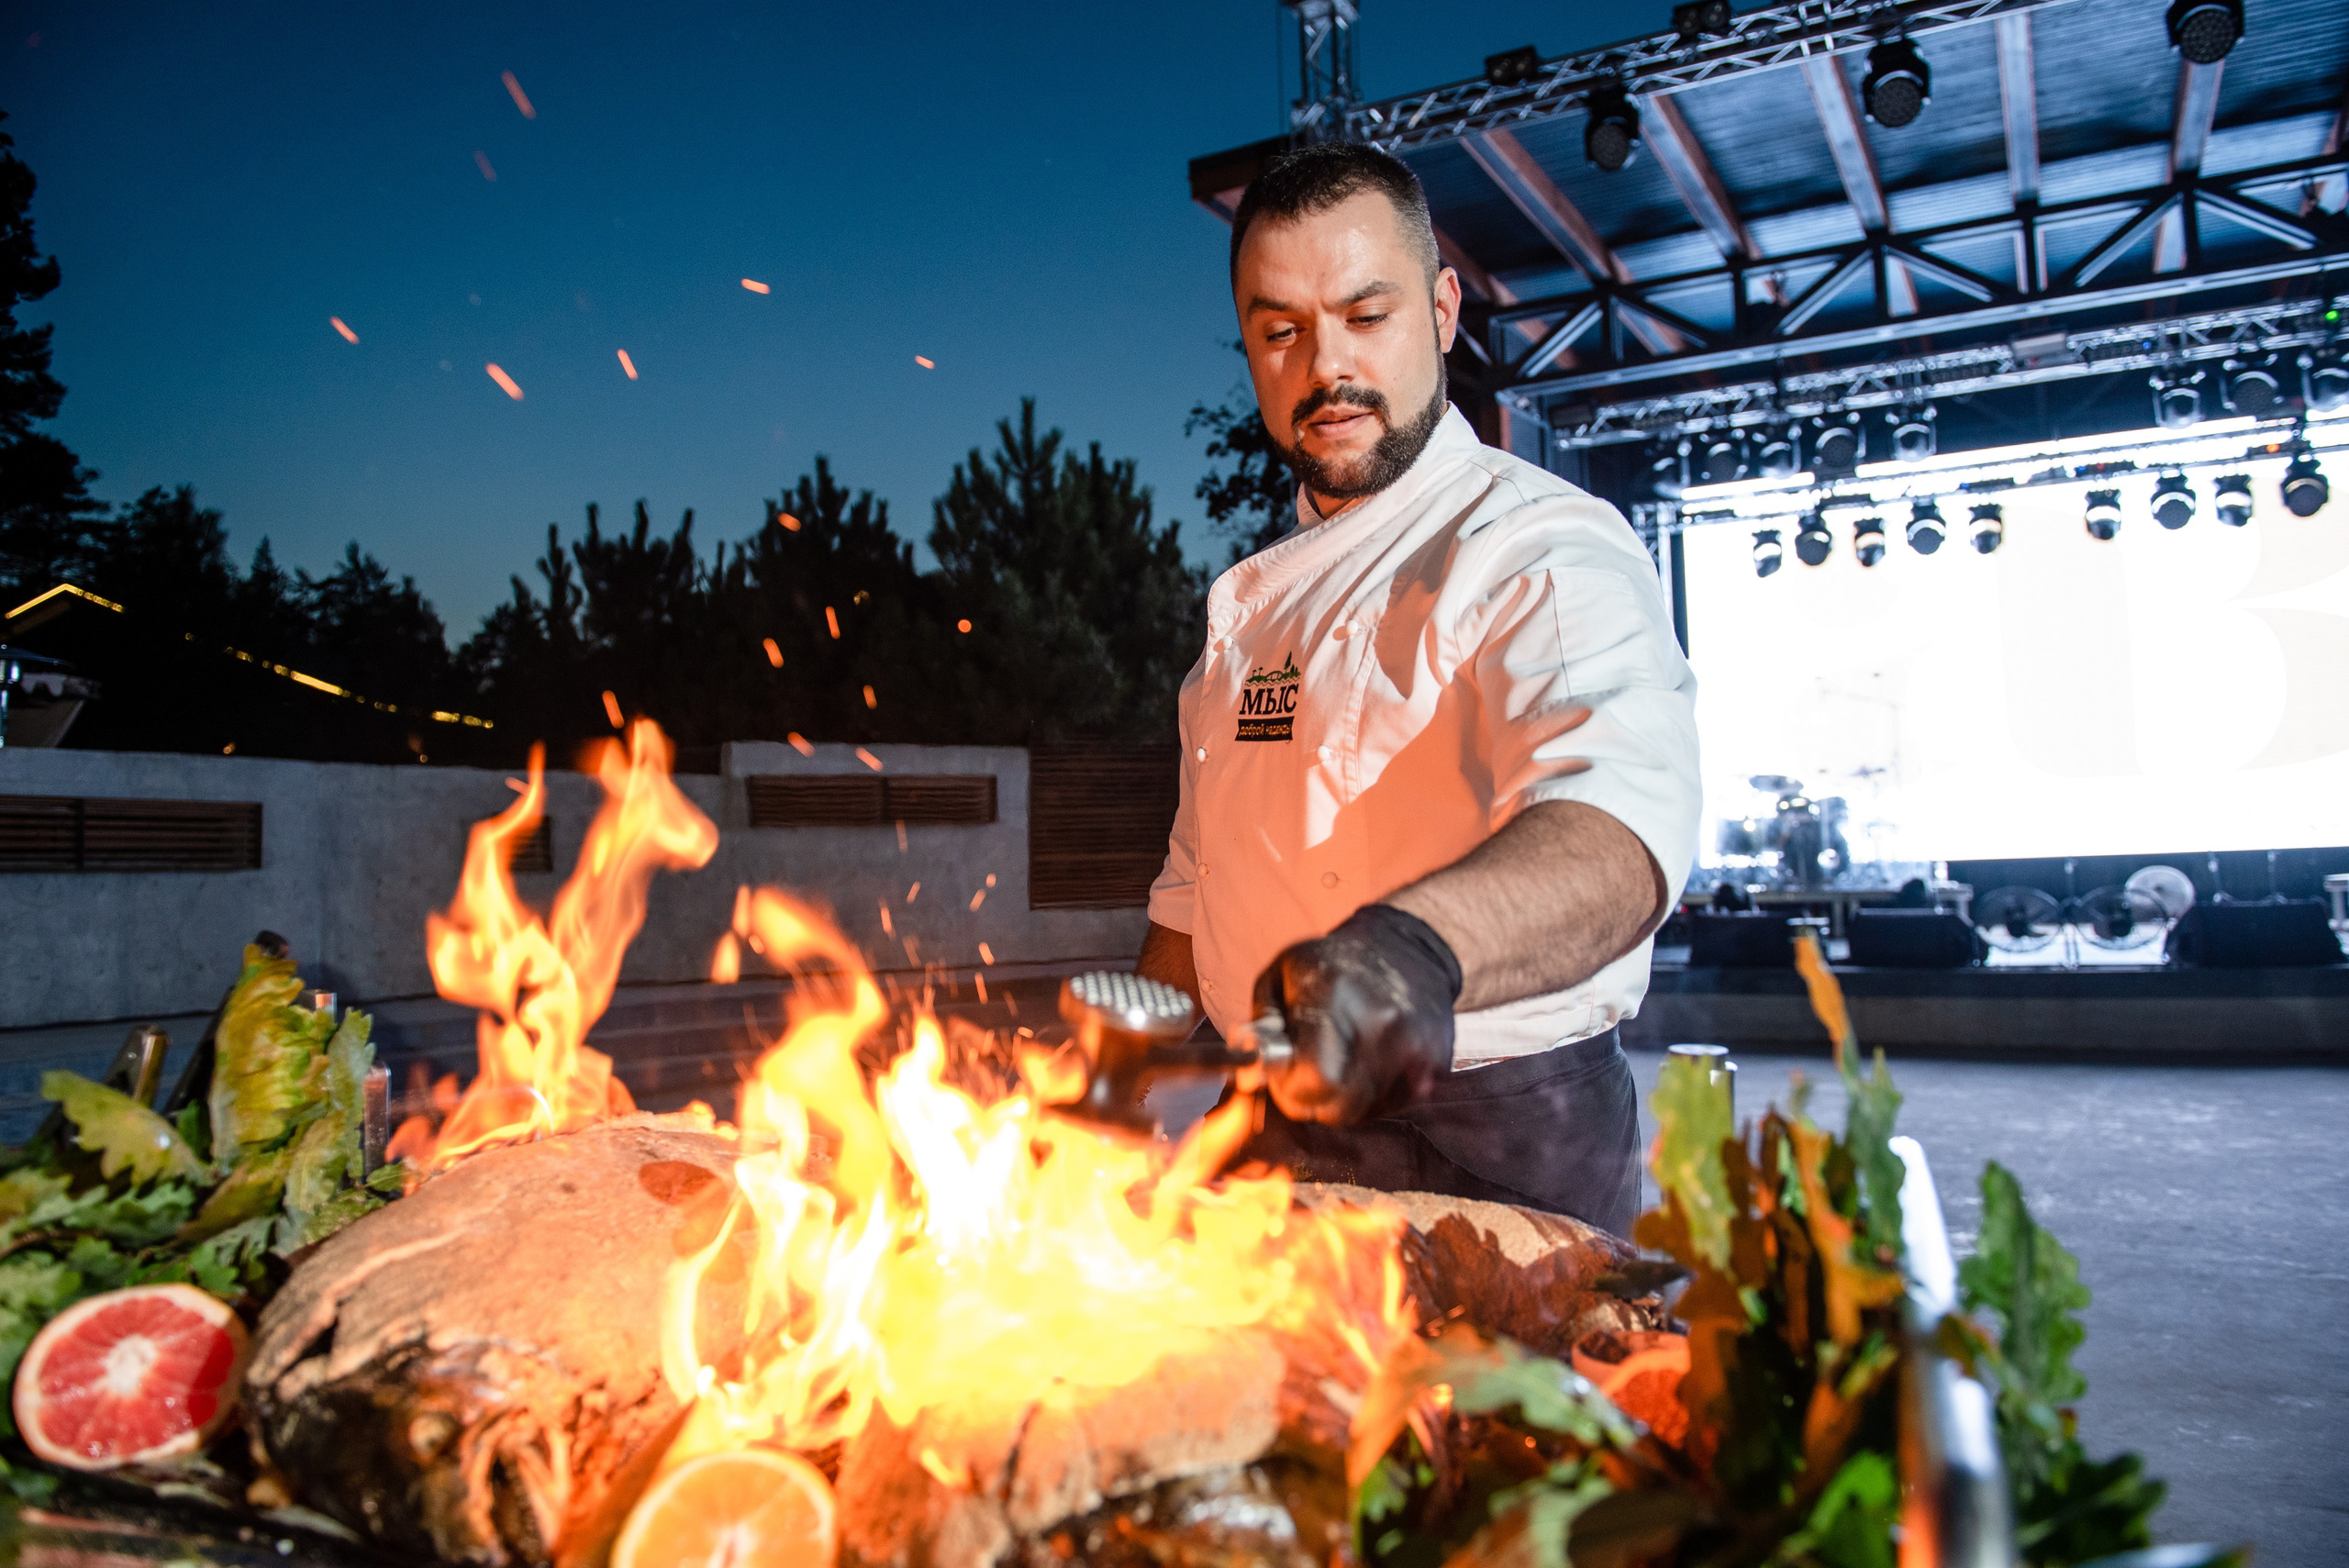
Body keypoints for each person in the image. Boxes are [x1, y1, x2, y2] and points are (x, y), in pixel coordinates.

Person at [1136, 142, 1700, 1238]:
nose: (1324, 366)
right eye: (1281, 329)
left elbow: (1619, 832)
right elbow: (1196, 887)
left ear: (1443, 310)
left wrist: (1411, 951)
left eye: (1365, 313)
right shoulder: (1250, 607)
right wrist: (1118, 1056)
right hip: (1271, 1121)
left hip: (1494, 1132)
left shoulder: (1536, 546)